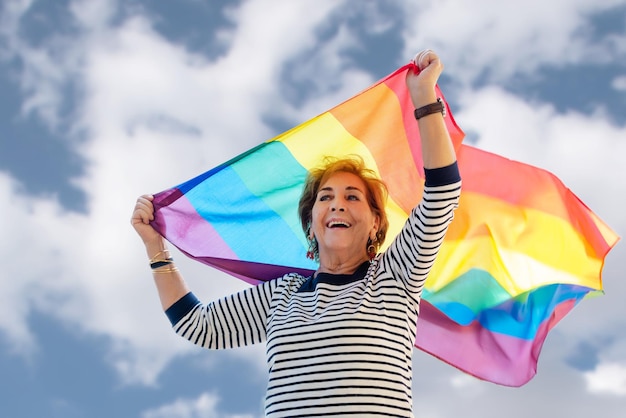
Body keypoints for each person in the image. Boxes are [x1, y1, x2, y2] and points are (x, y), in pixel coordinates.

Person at [131, 49, 461, 417]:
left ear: (375, 223)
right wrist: (155, 248)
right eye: (326, 197)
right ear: (311, 221)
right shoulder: (281, 295)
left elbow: (442, 193)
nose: (337, 205)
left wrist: (424, 98)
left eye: (352, 197)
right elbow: (199, 325)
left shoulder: (394, 276)